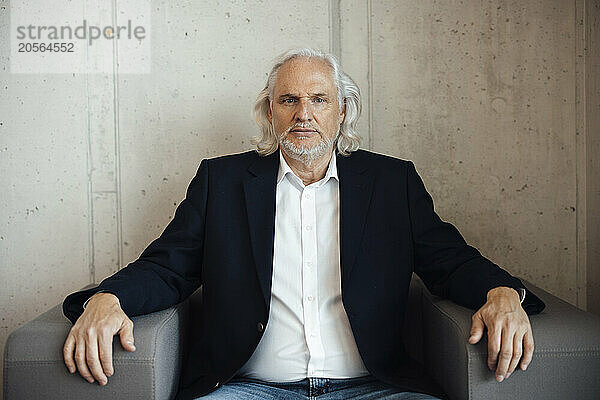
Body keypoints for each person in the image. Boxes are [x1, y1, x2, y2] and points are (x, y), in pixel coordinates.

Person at [62, 48, 545, 400]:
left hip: (374, 389)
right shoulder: (221, 181)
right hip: (246, 390)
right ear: (270, 112)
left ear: (341, 111)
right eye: (288, 100)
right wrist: (109, 298)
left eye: (318, 99)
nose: (303, 115)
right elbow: (168, 267)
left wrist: (501, 291)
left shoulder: (391, 181)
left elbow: (450, 261)